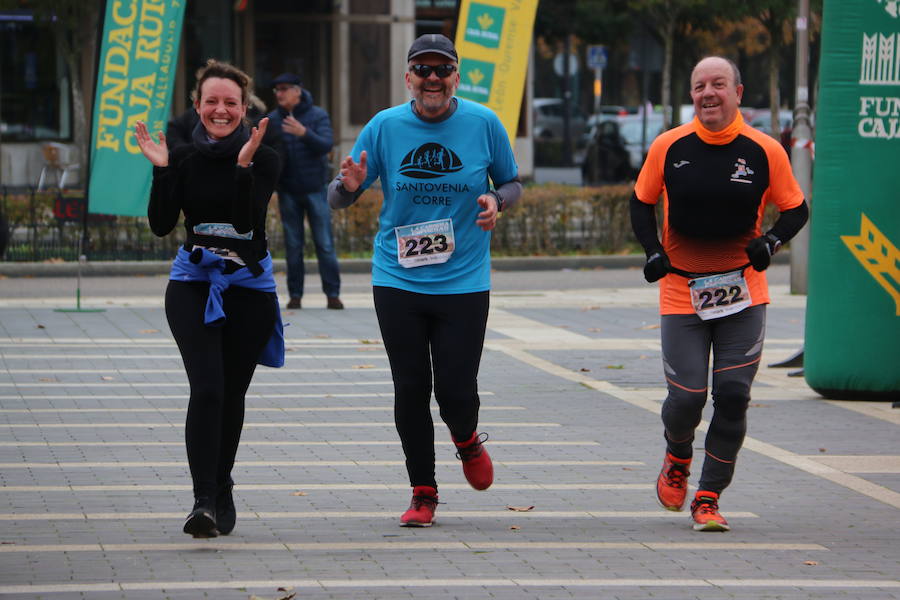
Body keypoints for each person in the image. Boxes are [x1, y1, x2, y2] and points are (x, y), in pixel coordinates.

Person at [328, 33, 522, 527]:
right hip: (398, 278)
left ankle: (465, 437)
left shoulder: (483, 123)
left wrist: (496, 201)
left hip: (464, 280)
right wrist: (347, 188)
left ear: (456, 76)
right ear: (408, 77)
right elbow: (340, 194)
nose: (432, 79)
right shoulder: (385, 126)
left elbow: (513, 181)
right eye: (423, 69)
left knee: (456, 390)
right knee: (410, 385)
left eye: (442, 70)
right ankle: (423, 491)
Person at [630, 56, 808, 531]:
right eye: (699, 86)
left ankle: (707, 497)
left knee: (732, 394)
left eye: (718, 85)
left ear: (738, 92)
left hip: (742, 292)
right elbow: (641, 201)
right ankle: (677, 455)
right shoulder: (669, 146)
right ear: (692, 94)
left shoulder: (765, 149)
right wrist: (652, 250)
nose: (708, 93)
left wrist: (770, 242)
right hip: (681, 291)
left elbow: (796, 209)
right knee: (687, 397)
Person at [134, 59, 283, 538]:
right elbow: (161, 224)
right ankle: (202, 500)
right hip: (193, 284)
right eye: (212, 101)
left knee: (232, 394)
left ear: (244, 108)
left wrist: (243, 168)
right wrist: (161, 170)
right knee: (209, 388)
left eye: (231, 103)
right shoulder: (181, 157)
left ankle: (221, 486)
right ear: (197, 106)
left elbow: (244, 224)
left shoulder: (266, 155)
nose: (221, 110)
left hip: (249, 289)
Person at [267, 72, 343, 310]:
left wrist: (303, 133)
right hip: (288, 191)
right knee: (293, 245)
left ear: (297, 91)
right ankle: (295, 295)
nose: (280, 93)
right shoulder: (272, 119)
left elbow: (326, 145)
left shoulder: (317, 115)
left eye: (284, 89)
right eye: (277, 90)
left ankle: (332, 294)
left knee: (325, 244)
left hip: (315, 189)